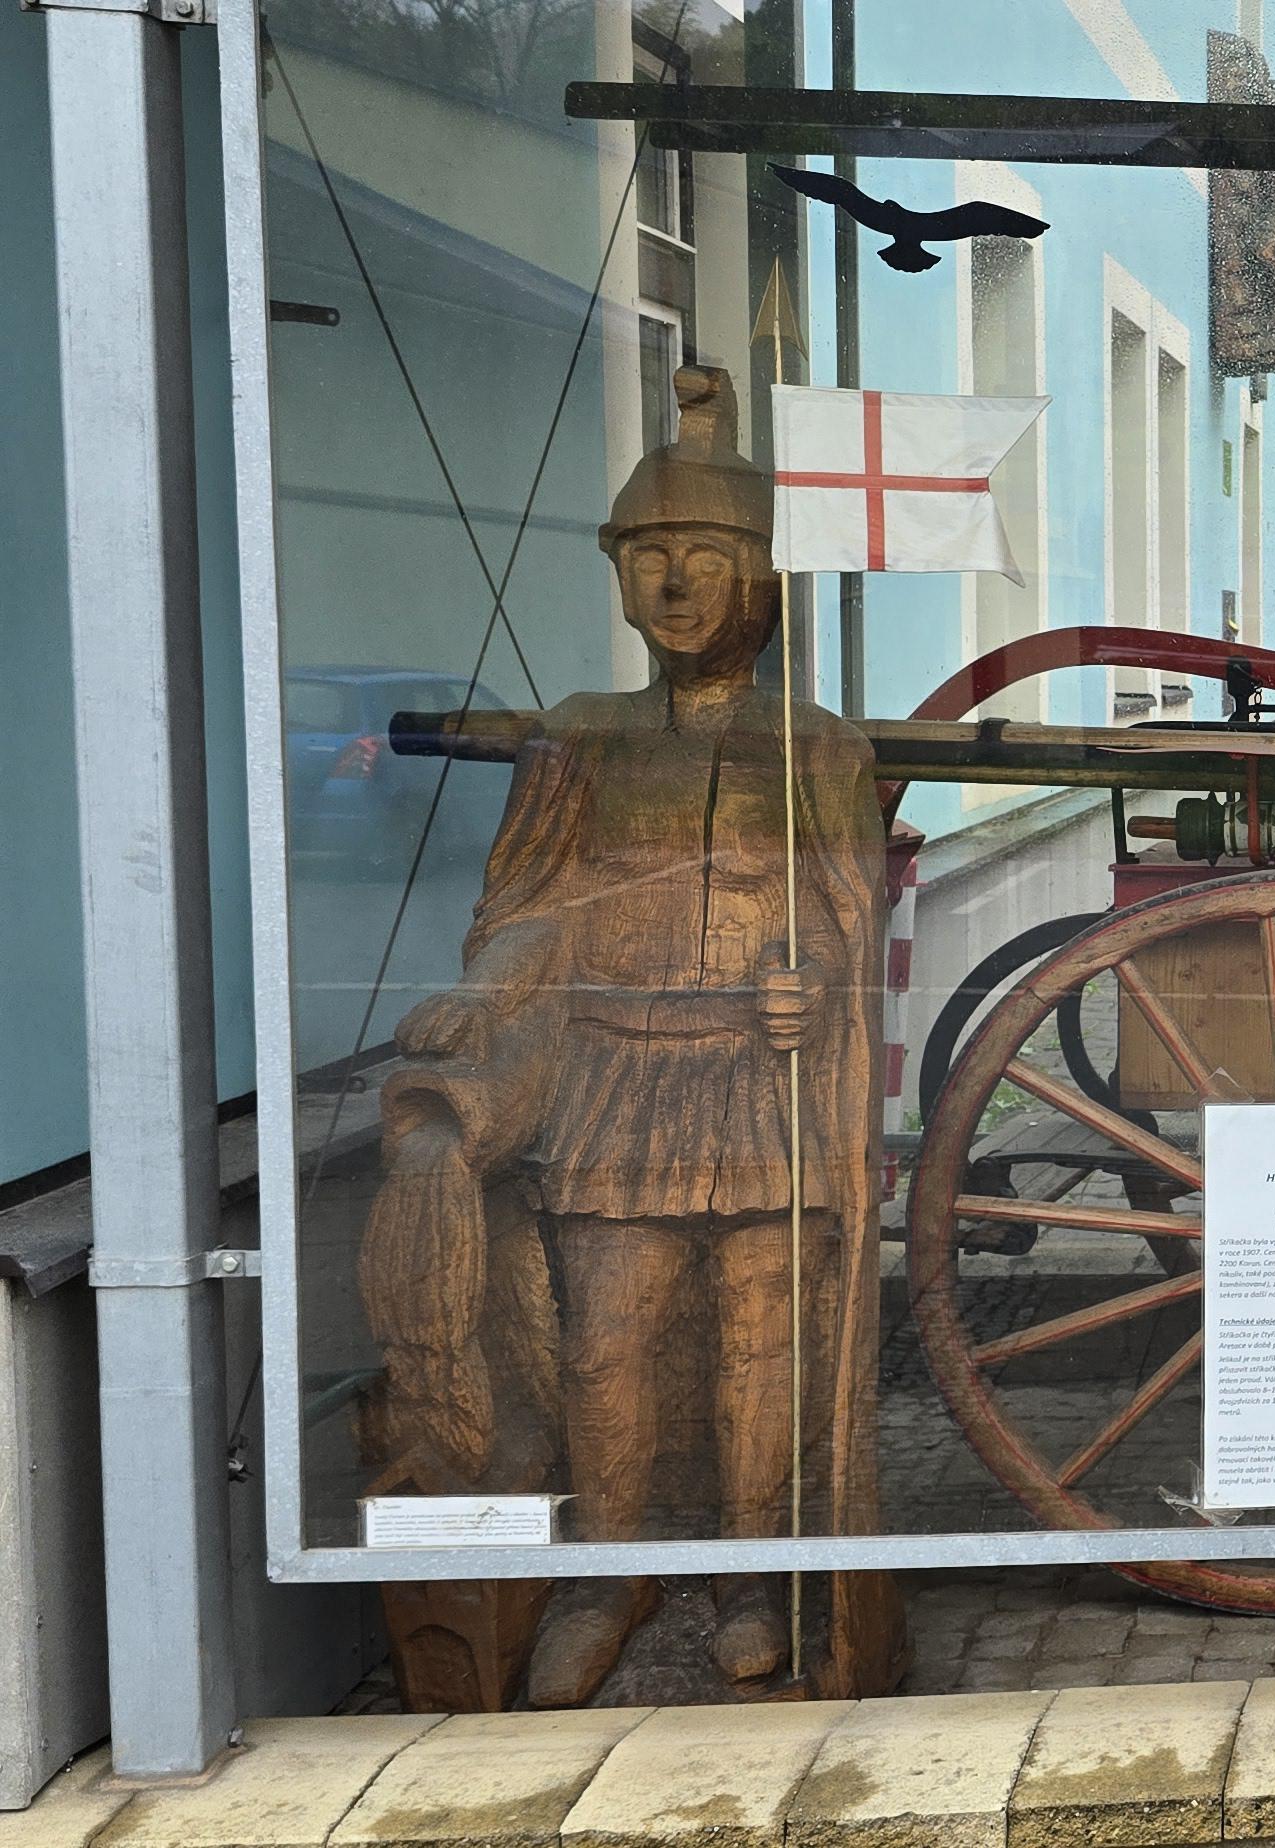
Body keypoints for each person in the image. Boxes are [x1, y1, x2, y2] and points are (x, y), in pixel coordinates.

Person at [365, 363, 892, 1705]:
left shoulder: (816, 747)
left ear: (759, 577)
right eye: (648, 554)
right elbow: (533, 907)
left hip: (763, 1088)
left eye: (703, 555)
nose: (672, 584)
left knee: (761, 1335)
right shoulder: (582, 738)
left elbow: (846, 913)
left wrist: (816, 979)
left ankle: (755, 1575)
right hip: (618, 1076)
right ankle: (608, 1572)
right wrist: (490, 992)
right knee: (608, 1335)